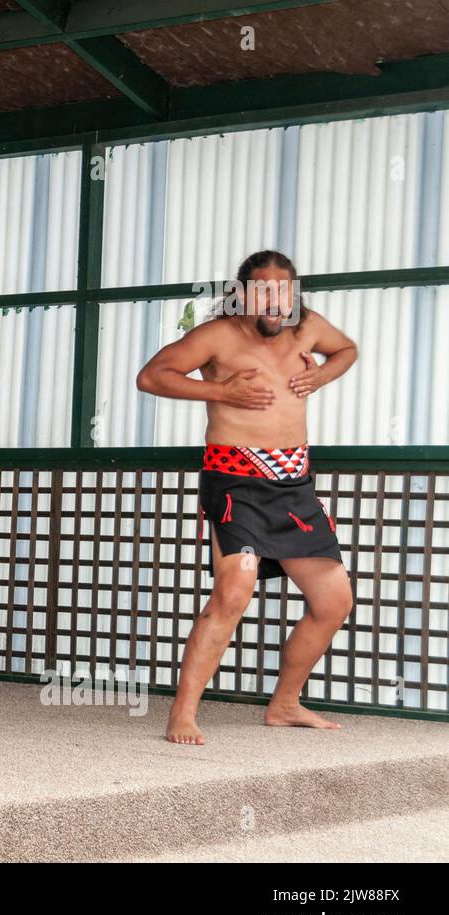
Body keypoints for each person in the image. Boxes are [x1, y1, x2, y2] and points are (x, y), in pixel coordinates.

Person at [136, 250, 358, 745]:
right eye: (262, 289)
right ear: (242, 293)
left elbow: (347, 350)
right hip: (235, 480)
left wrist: (321, 375)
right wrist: (221, 393)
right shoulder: (217, 335)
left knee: (333, 599)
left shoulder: (309, 328)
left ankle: (284, 705)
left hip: (294, 484)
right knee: (234, 592)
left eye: (284, 289)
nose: (275, 299)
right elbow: (152, 377)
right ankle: (183, 713)